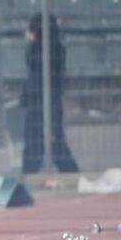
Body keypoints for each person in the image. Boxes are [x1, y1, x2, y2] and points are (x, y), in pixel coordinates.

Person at [21, 14, 79, 174]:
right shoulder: (47, 48)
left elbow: (38, 69)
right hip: (38, 97)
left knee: (52, 139)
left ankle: (68, 170)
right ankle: (31, 170)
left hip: (47, 98)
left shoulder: (53, 49)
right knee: (39, 138)